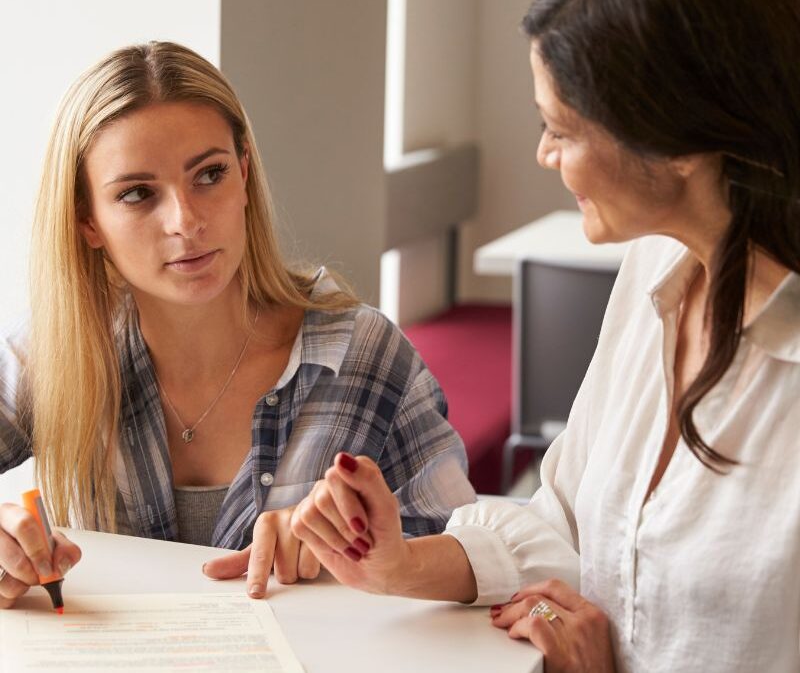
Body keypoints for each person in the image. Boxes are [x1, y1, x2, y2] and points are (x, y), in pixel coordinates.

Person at [288, 0, 800, 671]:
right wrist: (400, 563)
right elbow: (567, 519)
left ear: (676, 142)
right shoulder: (656, 268)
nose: (543, 153)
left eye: (559, 127)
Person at [0, 41, 476, 609]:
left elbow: (478, 550)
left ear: (244, 175)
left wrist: (380, 560)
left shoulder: (363, 354)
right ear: (87, 222)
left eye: (210, 175)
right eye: (136, 194)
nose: (186, 220)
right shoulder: (53, 353)